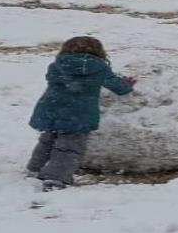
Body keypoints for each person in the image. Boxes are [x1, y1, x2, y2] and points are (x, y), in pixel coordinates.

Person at [26, 36, 136, 191]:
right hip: (77, 113)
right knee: (69, 147)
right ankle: (55, 178)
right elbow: (118, 87)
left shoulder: (57, 65)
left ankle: (35, 167)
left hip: (50, 108)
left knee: (48, 139)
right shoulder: (98, 67)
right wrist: (126, 84)